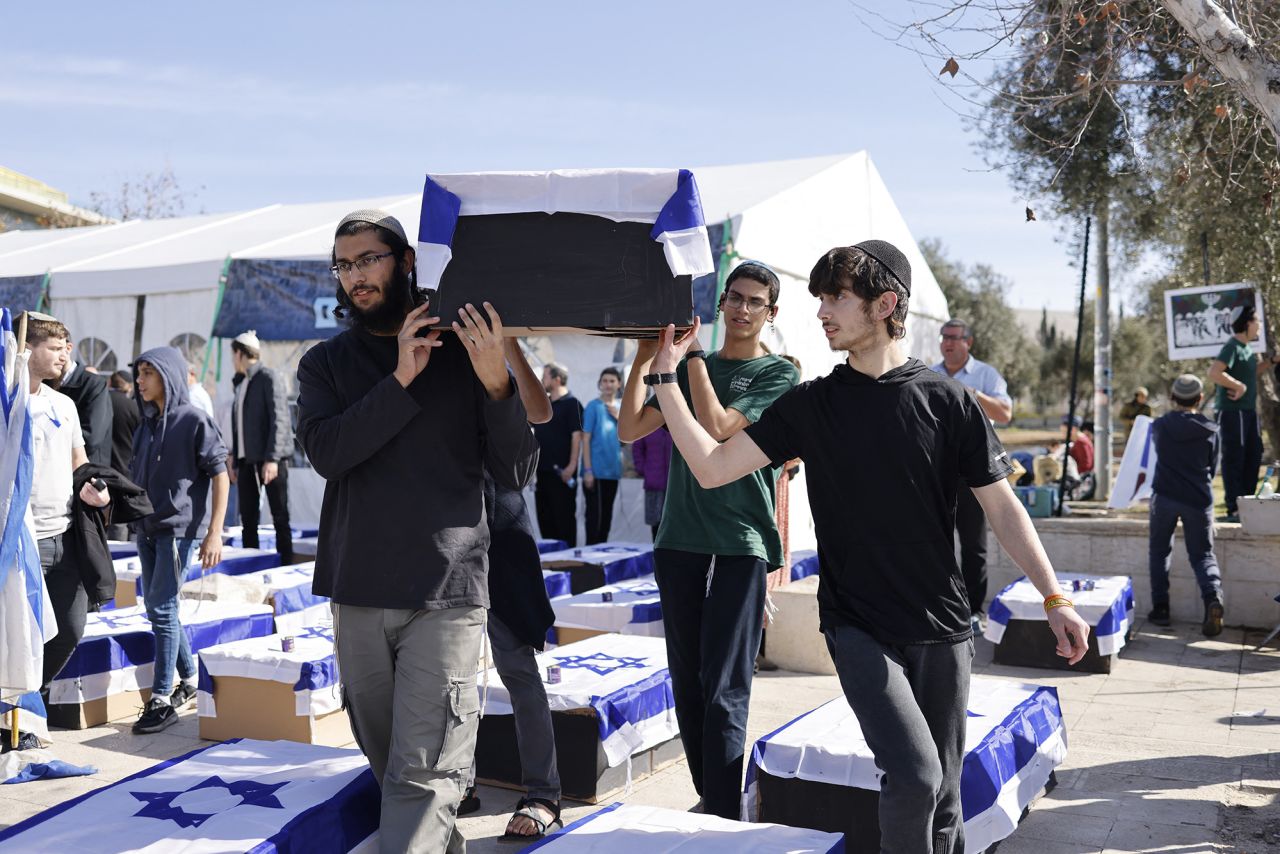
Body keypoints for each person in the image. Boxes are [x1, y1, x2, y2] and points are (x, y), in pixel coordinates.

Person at [642, 241, 1089, 853]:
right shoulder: (811, 403)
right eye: (821, 298)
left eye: (837, 298)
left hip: (942, 625)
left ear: (885, 304)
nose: (822, 311)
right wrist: (668, 376)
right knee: (915, 774)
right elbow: (715, 466)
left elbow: (1003, 506)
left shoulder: (947, 400)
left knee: (947, 798)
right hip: (858, 625)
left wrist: (1054, 596)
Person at [296, 209, 538, 853]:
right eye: (344, 265)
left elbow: (516, 469)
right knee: (392, 766)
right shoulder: (325, 363)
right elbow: (328, 453)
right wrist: (402, 374)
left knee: (425, 772)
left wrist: (496, 385)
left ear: (405, 261)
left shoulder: (467, 355)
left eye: (369, 259)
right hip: (358, 589)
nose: (356, 276)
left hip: (448, 591)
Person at [618, 260, 799, 820]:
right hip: (679, 538)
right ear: (721, 302)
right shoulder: (679, 366)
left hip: (740, 541)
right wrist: (645, 360)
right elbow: (629, 429)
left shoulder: (778, 375)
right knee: (688, 679)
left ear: (771, 313)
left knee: (724, 684)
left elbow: (719, 427)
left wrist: (689, 358)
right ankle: (712, 798)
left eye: (755, 302)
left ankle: (722, 812)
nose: (742, 310)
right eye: (735, 298)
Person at [459, 339, 564, 842]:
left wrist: (507, 343)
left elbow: (539, 409)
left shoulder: (493, 347)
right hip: (443, 544)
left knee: (519, 672)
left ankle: (544, 791)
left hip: (501, 540)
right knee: (439, 677)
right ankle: (458, 782)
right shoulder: (418, 350)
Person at [128, 346, 229, 734]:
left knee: (163, 608)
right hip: (147, 529)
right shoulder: (145, 426)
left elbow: (221, 476)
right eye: (138, 374)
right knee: (159, 610)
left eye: (148, 373)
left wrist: (214, 533)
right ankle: (189, 677)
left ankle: (160, 697)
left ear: (168, 375)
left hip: (179, 530)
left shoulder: (194, 420)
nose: (140, 382)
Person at [24, 314, 112, 705]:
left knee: (70, 629)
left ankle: (29, 701)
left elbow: (80, 465)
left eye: (65, 349)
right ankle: (20, 714)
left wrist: (98, 490)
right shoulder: (9, 404)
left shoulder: (64, 405)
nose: (64, 357)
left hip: (66, 538)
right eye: (55, 348)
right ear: (27, 350)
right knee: (21, 635)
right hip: (22, 541)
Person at [930, 319, 1012, 628]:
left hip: (973, 470)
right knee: (936, 541)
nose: (947, 343)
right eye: (944, 337)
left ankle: (975, 610)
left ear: (969, 342)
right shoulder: (930, 373)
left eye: (954, 337)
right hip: (936, 470)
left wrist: (970, 394)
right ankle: (941, 606)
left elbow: (1005, 413)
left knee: (974, 545)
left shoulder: (986, 374)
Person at [1147, 375, 1225, 636]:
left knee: (1159, 552)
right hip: (1199, 498)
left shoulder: (1159, 426)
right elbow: (1213, 467)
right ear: (1200, 398)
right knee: (1203, 554)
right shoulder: (1211, 430)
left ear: (1172, 397)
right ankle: (1212, 596)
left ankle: (1161, 609)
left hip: (1165, 495)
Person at [1208, 305, 1279, 522]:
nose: (1259, 326)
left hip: (1248, 412)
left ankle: (1247, 503)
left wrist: (1270, 362)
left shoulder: (1248, 349)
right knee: (1235, 459)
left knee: (1253, 455)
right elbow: (1214, 372)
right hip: (1232, 413)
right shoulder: (1232, 346)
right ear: (1247, 323)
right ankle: (1234, 508)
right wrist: (1237, 385)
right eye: (1256, 321)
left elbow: (1251, 371)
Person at [227, 330, 294, 560]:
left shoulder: (268, 377)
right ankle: (251, 562)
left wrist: (273, 458)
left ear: (239, 353)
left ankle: (285, 561)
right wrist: (235, 459)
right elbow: (239, 424)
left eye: (232, 355)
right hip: (247, 461)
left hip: (269, 460)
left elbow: (280, 418)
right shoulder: (242, 382)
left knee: (279, 516)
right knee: (248, 519)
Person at [533, 362, 583, 546]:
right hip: (542, 472)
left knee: (564, 519)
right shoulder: (542, 405)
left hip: (563, 473)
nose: (541, 380)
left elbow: (577, 437)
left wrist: (571, 465)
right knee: (545, 519)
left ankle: (568, 562)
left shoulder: (572, 404)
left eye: (545, 376)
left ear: (557, 379)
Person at [49, 336, 112, 467]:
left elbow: (91, 438)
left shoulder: (94, 384)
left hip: (83, 475)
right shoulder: (44, 383)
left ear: (67, 349)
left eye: (54, 349)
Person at [582, 366, 623, 544]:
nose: (608, 384)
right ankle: (590, 559)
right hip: (595, 472)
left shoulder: (622, 408)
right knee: (594, 519)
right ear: (600, 384)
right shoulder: (593, 406)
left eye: (612, 381)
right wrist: (588, 470)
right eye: (604, 381)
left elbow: (627, 441)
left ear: (619, 384)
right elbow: (585, 439)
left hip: (612, 471)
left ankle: (601, 557)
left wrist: (620, 418)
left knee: (606, 518)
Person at [106, 370, 141, 539]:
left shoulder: (99, 401)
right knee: (119, 519)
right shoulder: (132, 407)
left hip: (98, 466)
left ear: (109, 383)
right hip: (125, 468)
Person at [632, 426, 673, 540]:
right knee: (656, 522)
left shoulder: (676, 420)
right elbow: (637, 448)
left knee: (674, 522)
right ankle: (656, 553)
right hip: (654, 482)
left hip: (675, 485)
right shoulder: (648, 423)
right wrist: (643, 469)